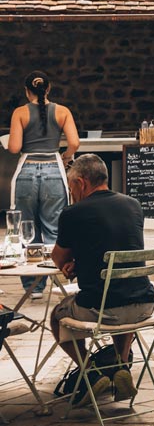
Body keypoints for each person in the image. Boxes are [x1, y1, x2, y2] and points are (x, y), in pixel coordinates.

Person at [51, 152, 154, 403]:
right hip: (144, 305)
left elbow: (58, 258)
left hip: (100, 308)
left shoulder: (73, 213)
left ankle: (90, 370)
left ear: (81, 182)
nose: (71, 192)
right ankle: (121, 366)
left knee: (57, 316)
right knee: (120, 291)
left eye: (71, 186)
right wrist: (83, 261)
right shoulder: (133, 205)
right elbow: (115, 245)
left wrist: (71, 263)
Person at [8, 72, 79, 287]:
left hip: (27, 171)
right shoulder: (62, 111)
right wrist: (65, 157)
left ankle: (33, 285)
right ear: (48, 89)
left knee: (27, 229)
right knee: (54, 229)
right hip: (53, 171)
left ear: (26, 90)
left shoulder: (20, 113)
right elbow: (74, 143)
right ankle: (59, 281)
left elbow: (14, 148)